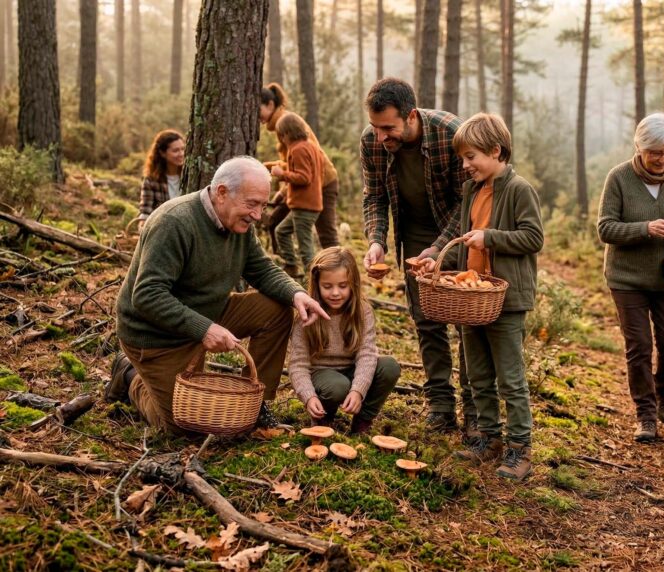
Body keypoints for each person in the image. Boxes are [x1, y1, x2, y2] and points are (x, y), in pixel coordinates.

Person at [107, 156, 330, 433]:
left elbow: (260, 268)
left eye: (263, 205)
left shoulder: (239, 224)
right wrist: (204, 329)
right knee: (184, 425)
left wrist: (296, 294)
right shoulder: (174, 222)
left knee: (275, 308)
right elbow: (147, 295)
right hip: (157, 335)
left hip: (206, 311)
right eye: (252, 204)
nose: (258, 215)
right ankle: (129, 376)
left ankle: (256, 402)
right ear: (222, 192)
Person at [422, 113, 543, 481]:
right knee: (477, 374)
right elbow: (464, 238)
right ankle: (487, 438)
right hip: (472, 297)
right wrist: (436, 265)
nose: (465, 165)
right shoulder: (471, 191)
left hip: (505, 299)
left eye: (471, 156)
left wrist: (491, 237)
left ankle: (519, 447)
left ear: (496, 151)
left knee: (509, 376)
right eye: (462, 158)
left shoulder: (519, 189)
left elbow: (533, 237)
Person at [360, 77, 476, 434]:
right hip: (413, 236)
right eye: (376, 128)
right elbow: (374, 197)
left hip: (460, 236)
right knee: (427, 321)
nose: (381, 136)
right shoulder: (371, 141)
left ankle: (474, 409)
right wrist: (376, 240)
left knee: (465, 322)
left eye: (389, 128)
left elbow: (468, 202)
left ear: (411, 116)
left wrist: (439, 248)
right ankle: (441, 405)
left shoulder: (450, 133)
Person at [597, 113, 664, 443]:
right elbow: (605, 228)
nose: (662, 159)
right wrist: (644, 229)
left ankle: (663, 391)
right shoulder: (619, 178)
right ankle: (645, 414)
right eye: (656, 152)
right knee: (639, 346)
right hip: (626, 279)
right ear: (640, 147)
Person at [288, 247, 400, 435]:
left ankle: (362, 421)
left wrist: (358, 391)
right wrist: (308, 397)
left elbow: (366, 354)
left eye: (342, 286)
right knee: (337, 386)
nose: (335, 293)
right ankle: (323, 417)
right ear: (316, 284)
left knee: (389, 367)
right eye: (327, 286)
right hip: (323, 376)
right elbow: (298, 364)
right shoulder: (305, 316)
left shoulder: (362, 311)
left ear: (353, 284)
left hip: (351, 370)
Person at [259, 83, 339, 250]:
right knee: (275, 223)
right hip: (303, 185)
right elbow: (292, 164)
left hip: (321, 183)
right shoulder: (282, 124)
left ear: (270, 105)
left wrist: (281, 178)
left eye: (257, 109)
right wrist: (267, 168)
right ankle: (287, 267)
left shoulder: (287, 124)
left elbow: (305, 162)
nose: (256, 117)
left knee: (327, 236)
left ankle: (341, 274)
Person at [271, 112, 323, 277]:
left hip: (304, 206)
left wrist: (282, 174)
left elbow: (304, 177)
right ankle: (291, 266)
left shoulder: (297, 149)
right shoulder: (310, 146)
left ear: (287, 133)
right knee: (282, 231)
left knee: (305, 247)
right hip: (304, 205)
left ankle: (314, 279)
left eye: (281, 135)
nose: (281, 140)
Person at [138, 129, 185, 227]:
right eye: (175, 150)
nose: (181, 154)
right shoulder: (151, 180)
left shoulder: (189, 175)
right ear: (162, 153)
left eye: (183, 149)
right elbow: (145, 211)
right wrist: (142, 226)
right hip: (163, 228)